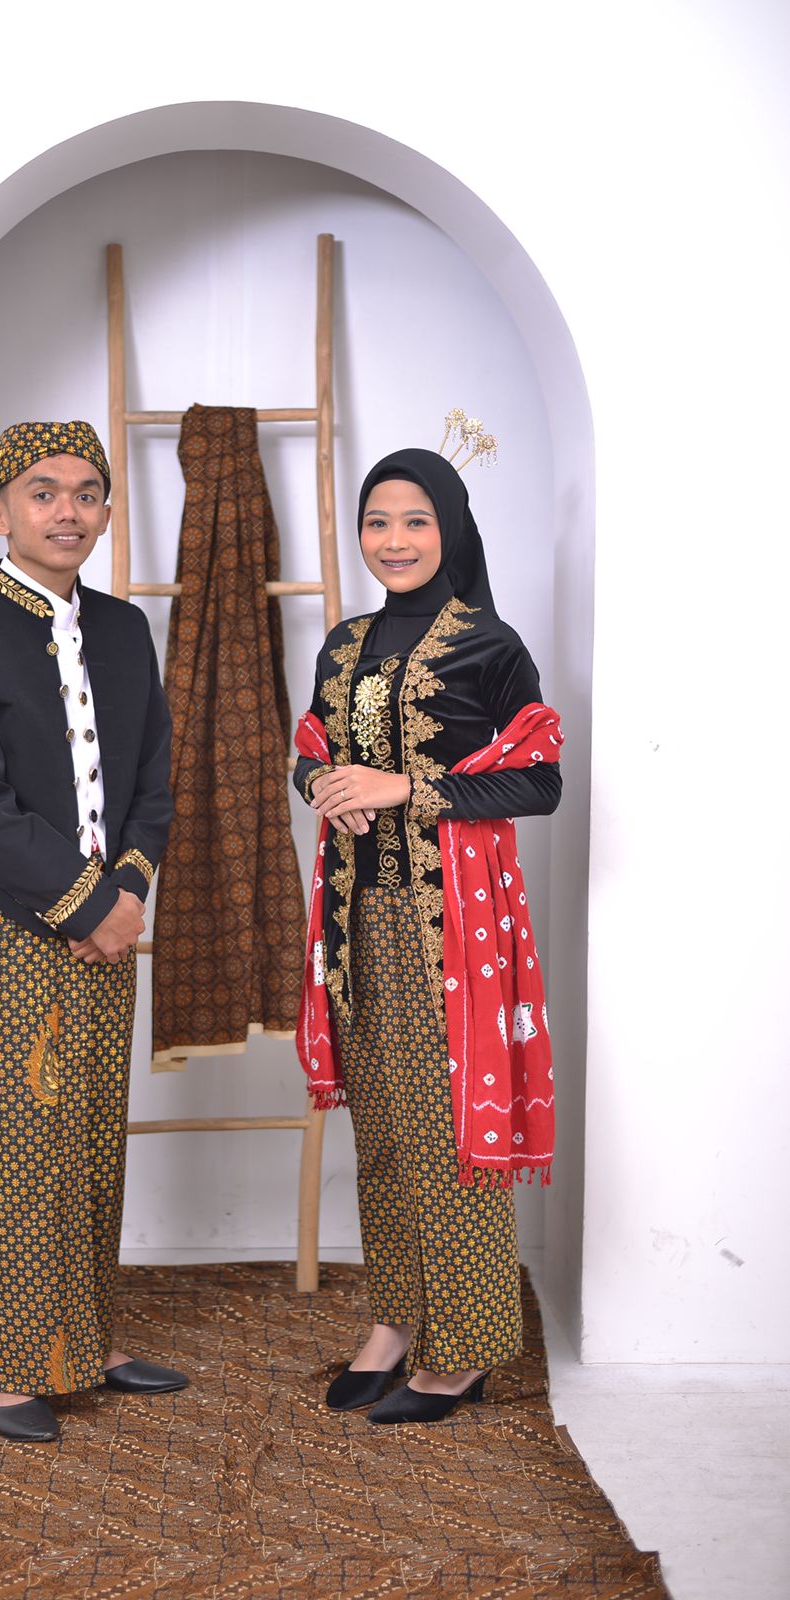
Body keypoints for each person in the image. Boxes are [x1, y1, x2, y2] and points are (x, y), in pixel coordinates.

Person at [0, 419, 185, 1443]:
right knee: (14, 1141)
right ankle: (2, 1367)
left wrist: (128, 890)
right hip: (11, 921)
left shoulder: (123, 630)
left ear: (106, 512)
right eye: (42, 491)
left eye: (86, 493)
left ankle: (84, 1340)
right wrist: (83, 904)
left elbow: (152, 775)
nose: (66, 510)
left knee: (91, 1132)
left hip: (112, 918)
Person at [293, 447, 562, 1424]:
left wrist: (405, 787)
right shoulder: (344, 644)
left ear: (449, 528)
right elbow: (311, 748)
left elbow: (539, 778)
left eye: (415, 520)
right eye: (377, 521)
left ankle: (465, 1350)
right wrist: (326, 787)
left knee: (447, 1133)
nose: (394, 540)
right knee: (382, 1133)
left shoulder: (488, 644)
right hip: (354, 917)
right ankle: (398, 1321)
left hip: (448, 928)